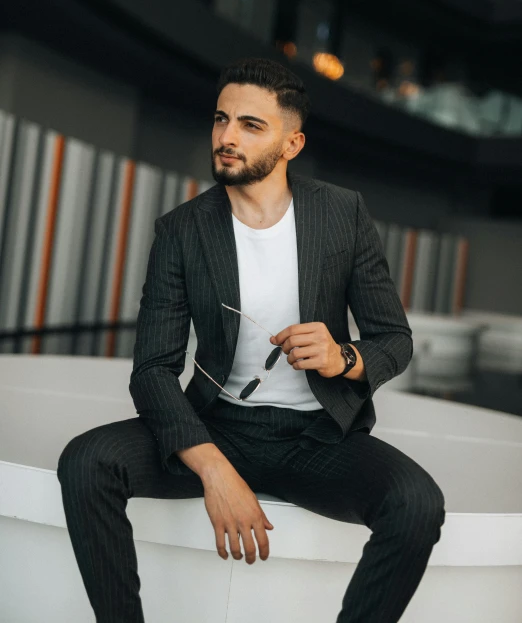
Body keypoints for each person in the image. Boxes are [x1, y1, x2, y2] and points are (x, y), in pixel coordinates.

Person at [57, 56, 445, 623]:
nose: (227, 137)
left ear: (292, 144)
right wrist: (214, 470)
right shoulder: (182, 229)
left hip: (318, 436)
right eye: (221, 119)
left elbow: (394, 338)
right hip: (215, 428)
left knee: (417, 504)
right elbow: (153, 370)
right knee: (87, 461)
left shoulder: (342, 214)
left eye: (250, 125)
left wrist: (345, 358)